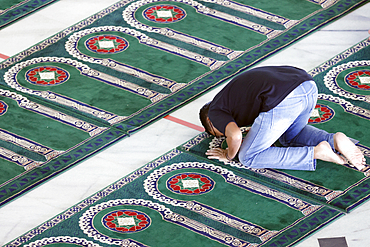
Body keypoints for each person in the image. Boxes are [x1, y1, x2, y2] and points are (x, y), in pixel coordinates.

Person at [199, 66, 366, 171]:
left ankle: (316, 152)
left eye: (218, 134)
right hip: (307, 86)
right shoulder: (230, 99)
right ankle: (334, 141)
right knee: (290, 136)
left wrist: (228, 154)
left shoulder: (214, 111)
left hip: (285, 99)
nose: (222, 136)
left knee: (248, 157)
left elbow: (235, 136)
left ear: (210, 122)